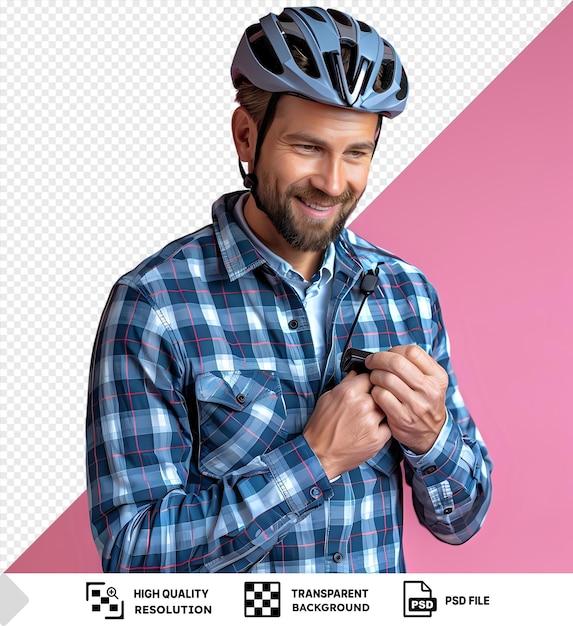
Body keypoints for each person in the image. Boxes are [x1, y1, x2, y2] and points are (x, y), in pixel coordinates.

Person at [86, 6, 493, 573]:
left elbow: (463, 519)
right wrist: (316, 458)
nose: (332, 182)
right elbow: (133, 557)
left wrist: (432, 438)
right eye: (308, 148)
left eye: (356, 153)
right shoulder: (156, 306)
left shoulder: (406, 294)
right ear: (246, 135)